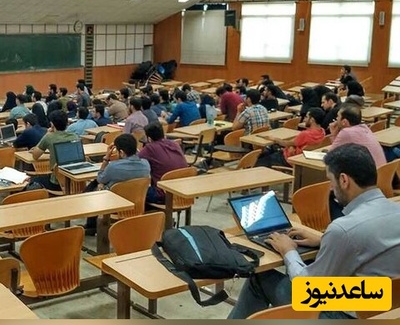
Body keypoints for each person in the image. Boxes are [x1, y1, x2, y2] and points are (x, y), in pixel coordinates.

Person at [228, 143, 400, 319]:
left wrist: (288, 251)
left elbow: (308, 288)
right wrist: (324, 240)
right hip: (386, 307)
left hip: (346, 314)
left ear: (344, 180)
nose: (331, 188)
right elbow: (369, 244)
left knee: (260, 279)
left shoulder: (344, 229)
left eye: (331, 181)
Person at [84, 133, 150, 234]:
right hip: (137, 204)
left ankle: (91, 225)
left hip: (114, 206)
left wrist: (106, 158)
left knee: (98, 184)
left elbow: (100, 178)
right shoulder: (146, 164)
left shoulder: (113, 167)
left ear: (121, 152)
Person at [257, 107, 325, 167]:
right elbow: (295, 143)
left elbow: (285, 143)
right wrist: (292, 146)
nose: (304, 119)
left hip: (287, 159)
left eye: (306, 117)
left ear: (312, 119)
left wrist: (274, 139)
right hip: (301, 159)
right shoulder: (322, 132)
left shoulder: (305, 134)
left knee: (258, 161)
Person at [138, 122, 187, 203]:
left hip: (163, 194)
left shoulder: (150, 148)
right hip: (183, 192)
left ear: (149, 139)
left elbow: (135, 160)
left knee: (135, 190)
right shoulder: (174, 144)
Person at [31, 110, 79, 191]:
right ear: (67, 123)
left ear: (52, 124)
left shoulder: (49, 137)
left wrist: (46, 134)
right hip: (73, 181)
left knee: (33, 180)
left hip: (57, 183)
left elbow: (35, 156)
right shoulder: (74, 136)